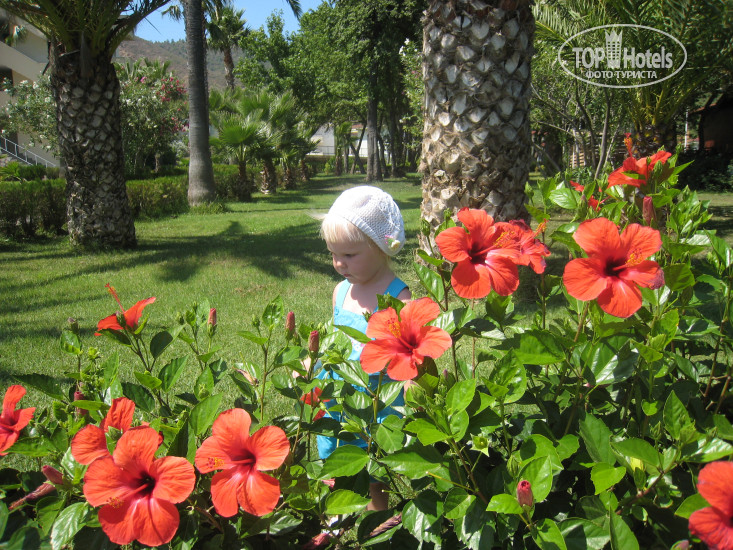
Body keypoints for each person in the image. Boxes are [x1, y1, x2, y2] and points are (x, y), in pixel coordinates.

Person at [317, 185, 410, 511]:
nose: (339, 264)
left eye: (349, 255)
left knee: (372, 476)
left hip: (376, 404)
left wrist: (414, 393)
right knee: (337, 461)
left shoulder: (397, 297)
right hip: (339, 400)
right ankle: (338, 513)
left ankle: (376, 521)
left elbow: (407, 354)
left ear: (381, 247)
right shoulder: (341, 293)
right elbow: (334, 340)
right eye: (333, 254)